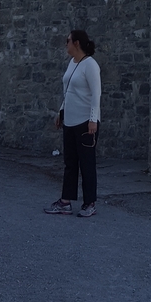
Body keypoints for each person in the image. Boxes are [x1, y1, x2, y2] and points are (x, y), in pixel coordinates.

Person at [45, 30, 101, 218]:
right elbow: (68, 90)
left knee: (87, 163)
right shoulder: (72, 63)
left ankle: (89, 203)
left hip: (86, 122)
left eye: (67, 41)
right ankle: (66, 201)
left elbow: (96, 94)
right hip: (70, 120)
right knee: (70, 163)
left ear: (76, 43)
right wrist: (61, 111)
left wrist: (93, 119)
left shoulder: (91, 65)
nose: (65, 44)